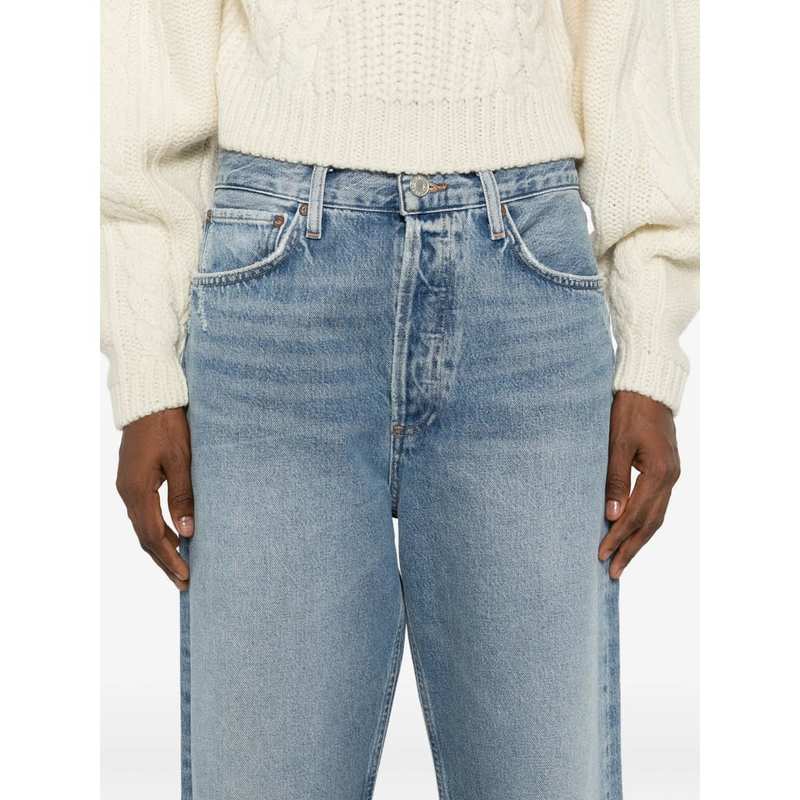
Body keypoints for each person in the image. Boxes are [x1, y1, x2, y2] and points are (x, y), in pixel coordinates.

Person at [102, 1, 698, 797]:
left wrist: (652, 346)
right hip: (274, 303)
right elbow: (150, 55)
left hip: (524, 291)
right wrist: (144, 367)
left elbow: (636, 39)